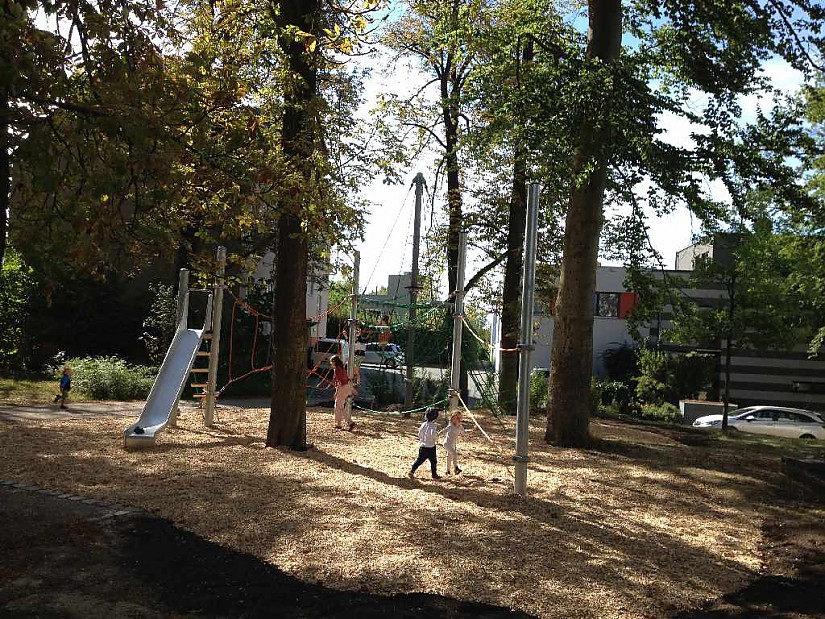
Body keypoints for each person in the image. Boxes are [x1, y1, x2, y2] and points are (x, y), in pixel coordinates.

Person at [408, 408, 441, 480]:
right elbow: (433, 434)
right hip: (431, 447)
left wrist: (422, 439)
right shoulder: (434, 426)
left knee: (419, 460)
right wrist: (436, 439)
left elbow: (419, 433)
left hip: (422, 446)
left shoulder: (423, 424)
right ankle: (434, 474)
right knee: (433, 461)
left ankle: (412, 471)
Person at [441, 410, 473, 475]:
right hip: (447, 444)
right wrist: (435, 436)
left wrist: (471, 430)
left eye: (460, 418)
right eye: (457, 418)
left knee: (449, 457)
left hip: (453, 445)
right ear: (453, 419)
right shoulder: (450, 426)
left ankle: (448, 471)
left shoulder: (460, 426)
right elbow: (443, 431)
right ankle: (456, 468)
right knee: (454, 454)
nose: (459, 420)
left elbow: (464, 433)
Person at [330, 355, 356, 432]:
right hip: (346, 387)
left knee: (340, 407)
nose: (331, 364)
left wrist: (336, 393)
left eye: (331, 362)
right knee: (338, 406)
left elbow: (339, 382)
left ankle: (350, 423)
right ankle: (338, 423)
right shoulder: (341, 368)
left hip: (343, 388)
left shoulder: (337, 370)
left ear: (334, 362)